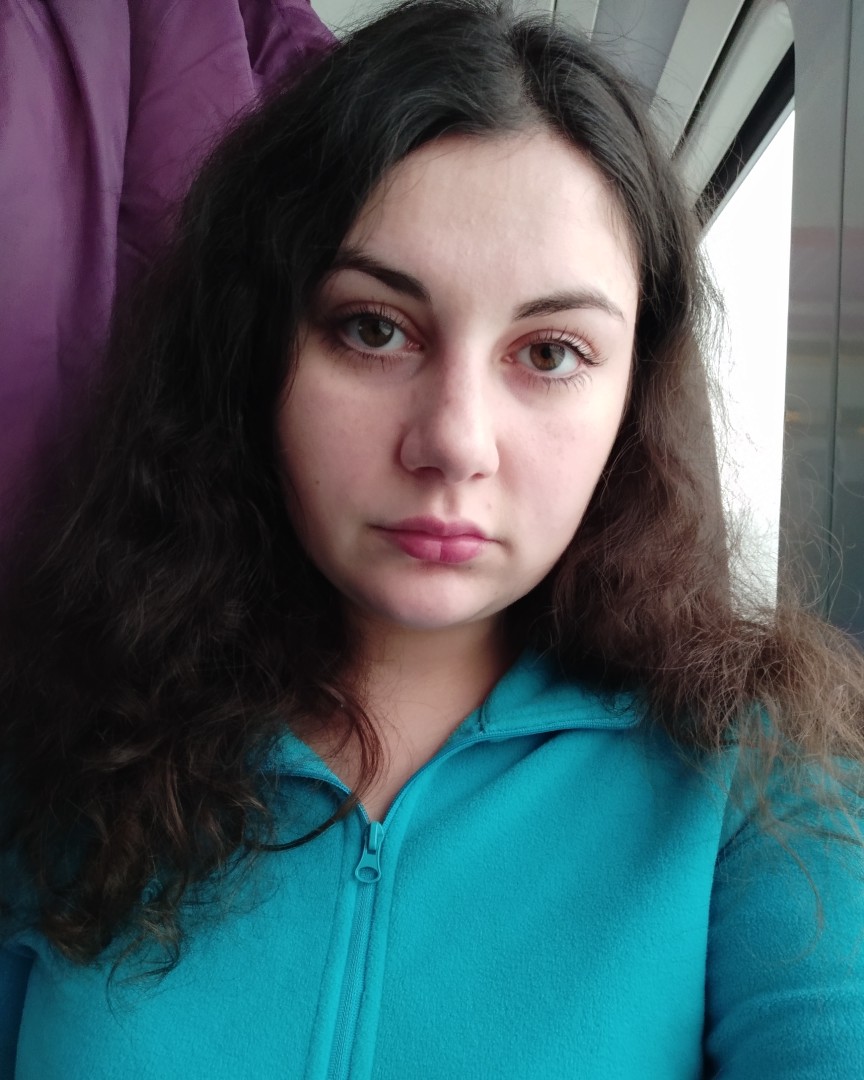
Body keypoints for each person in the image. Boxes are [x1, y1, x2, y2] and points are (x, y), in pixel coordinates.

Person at [1, 1, 863, 1076]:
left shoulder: (763, 773)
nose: (454, 441)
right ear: (254, 352)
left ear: (632, 395)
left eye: (549, 353)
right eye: (373, 330)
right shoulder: (64, 742)